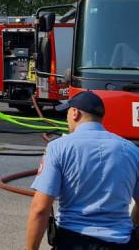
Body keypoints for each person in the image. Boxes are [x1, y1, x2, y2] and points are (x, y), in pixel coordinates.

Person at [25, 91, 139, 250]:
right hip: (121, 242)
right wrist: (131, 227)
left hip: (73, 241)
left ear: (75, 113)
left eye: (67, 113)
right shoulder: (132, 150)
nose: (66, 119)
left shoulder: (58, 148)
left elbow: (40, 208)